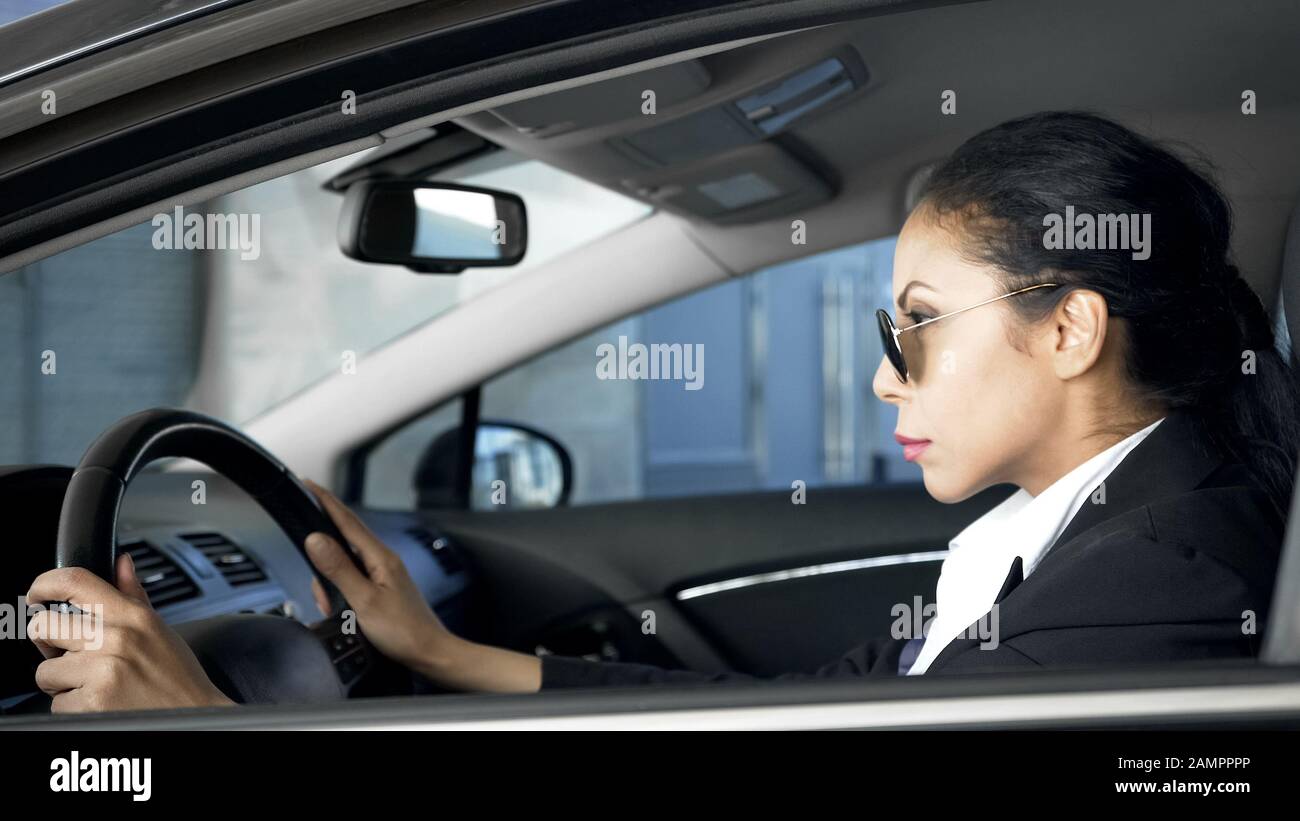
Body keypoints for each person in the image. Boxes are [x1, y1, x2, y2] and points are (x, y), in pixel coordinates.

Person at [24, 110, 1300, 711]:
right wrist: (443, 652)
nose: (880, 374)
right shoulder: (1083, 524)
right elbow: (819, 703)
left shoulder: (1167, 579)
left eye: (910, 324)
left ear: (1069, 327)